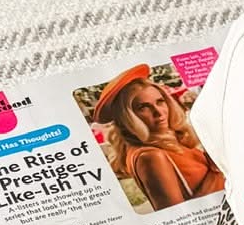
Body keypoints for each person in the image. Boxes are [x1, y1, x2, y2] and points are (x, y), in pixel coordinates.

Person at [90, 66, 222, 210]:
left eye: (160, 101)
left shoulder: (160, 145)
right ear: (128, 117)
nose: (159, 112)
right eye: (143, 107)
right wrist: (218, 169)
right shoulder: (150, 156)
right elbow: (178, 215)